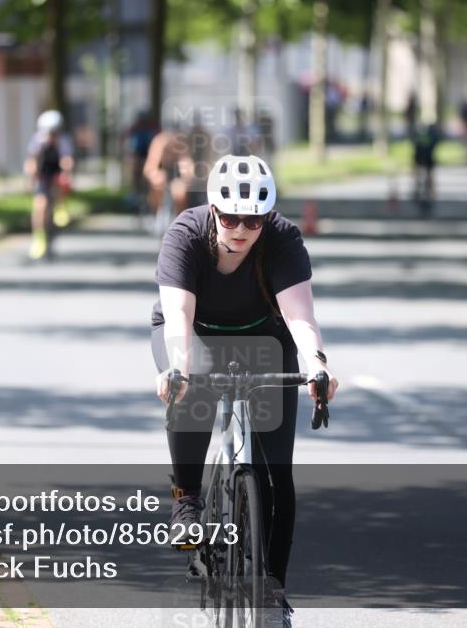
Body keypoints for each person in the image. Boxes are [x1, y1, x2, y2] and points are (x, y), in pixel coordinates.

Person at [151, 154, 339, 626]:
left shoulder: (281, 239)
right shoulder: (186, 235)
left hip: (264, 335)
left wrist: (318, 366)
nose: (240, 229)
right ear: (213, 209)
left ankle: (273, 592)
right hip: (194, 331)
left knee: (278, 472)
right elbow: (178, 320)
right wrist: (179, 369)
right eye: (230, 217)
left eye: (252, 219)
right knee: (191, 387)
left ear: (266, 217)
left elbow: (300, 318)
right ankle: (187, 501)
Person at [24, 110, 74, 260]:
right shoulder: (38, 141)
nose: (52, 136)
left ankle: (60, 207)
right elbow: (32, 161)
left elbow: (67, 160)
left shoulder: (63, 141)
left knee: (58, 185)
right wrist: (31, 178)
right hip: (43, 174)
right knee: (40, 205)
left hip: (56, 173)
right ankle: (38, 237)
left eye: (55, 132)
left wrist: (66, 173)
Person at [143, 123, 195, 234]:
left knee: (180, 192)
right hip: (161, 174)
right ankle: (155, 214)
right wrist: (156, 175)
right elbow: (150, 166)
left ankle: (180, 222)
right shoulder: (159, 142)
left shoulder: (180, 143)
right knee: (158, 183)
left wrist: (187, 177)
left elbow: (186, 163)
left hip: (176, 175)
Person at [412, 123, 442, 216]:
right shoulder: (431, 135)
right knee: (425, 177)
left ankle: (425, 193)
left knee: (426, 177)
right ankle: (424, 193)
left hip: (424, 158)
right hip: (424, 158)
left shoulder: (422, 136)